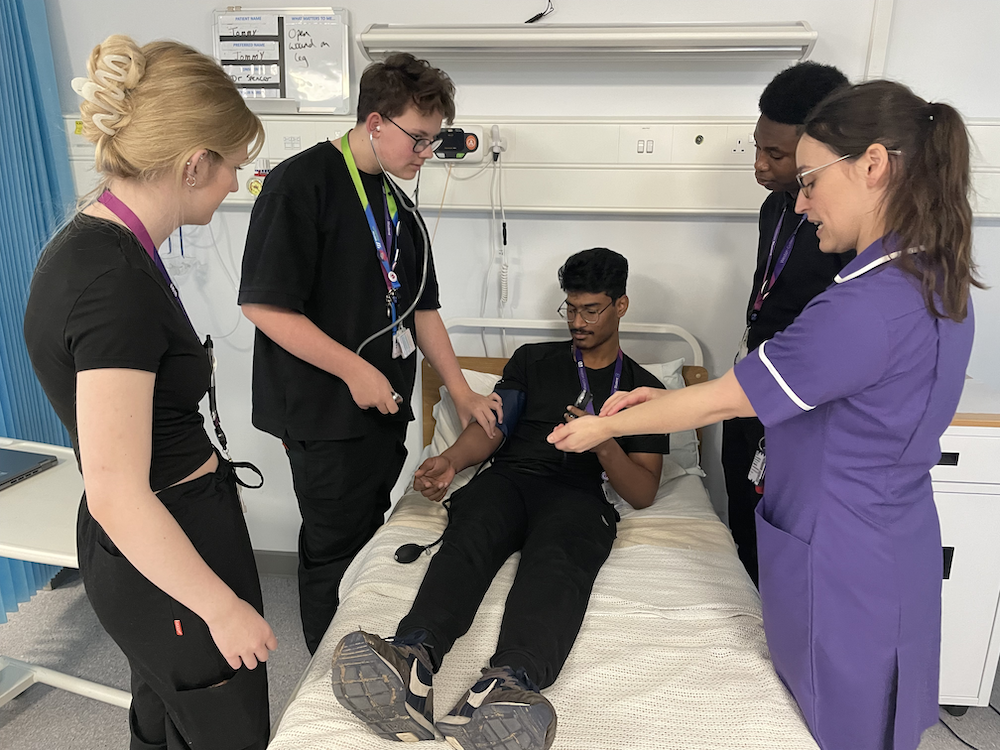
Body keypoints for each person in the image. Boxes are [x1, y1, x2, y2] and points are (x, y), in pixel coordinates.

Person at [548, 81, 980, 750]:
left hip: (841, 561)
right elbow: (766, 386)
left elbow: (733, 396)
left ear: (872, 165)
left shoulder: (863, 306)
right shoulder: (930, 276)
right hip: (885, 542)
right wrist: (656, 401)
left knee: (838, 729)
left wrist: (607, 425)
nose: (800, 202)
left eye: (809, 180)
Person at [23, 36, 275, 750]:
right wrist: (221, 608)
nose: (234, 185)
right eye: (232, 166)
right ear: (195, 162)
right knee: (226, 734)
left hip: (173, 533)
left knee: (167, 727)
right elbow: (116, 492)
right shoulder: (111, 284)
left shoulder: (100, 247)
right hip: (163, 542)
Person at [329, 248, 670, 749]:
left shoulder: (645, 388)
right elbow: (492, 428)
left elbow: (641, 491)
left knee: (557, 564)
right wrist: (451, 460)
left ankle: (507, 684)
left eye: (590, 309)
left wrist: (603, 442)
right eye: (570, 308)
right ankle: (412, 662)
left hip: (577, 495)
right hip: (510, 478)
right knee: (469, 538)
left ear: (621, 306)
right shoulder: (533, 360)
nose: (577, 321)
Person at [239, 52, 497, 654]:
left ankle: (361, 647)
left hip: (381, 408)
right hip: (322, 410)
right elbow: (265, 306)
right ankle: (325, 668)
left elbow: (421, 308)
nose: (426, 154)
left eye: (435, 141)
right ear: (376, 121)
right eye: (419, 138)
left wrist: (460, 392)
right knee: (333, 544)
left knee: (365, 533)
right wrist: (356, 370)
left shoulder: (395, 201)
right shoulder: (300, 185)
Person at [724, 61, 851, 586]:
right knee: (742, 524)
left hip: (803, 404)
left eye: (775, 154)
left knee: (786, 539)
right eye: (757, 147)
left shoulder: (849, 232)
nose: (759, 165)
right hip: (753, 383)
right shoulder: (775, 209)